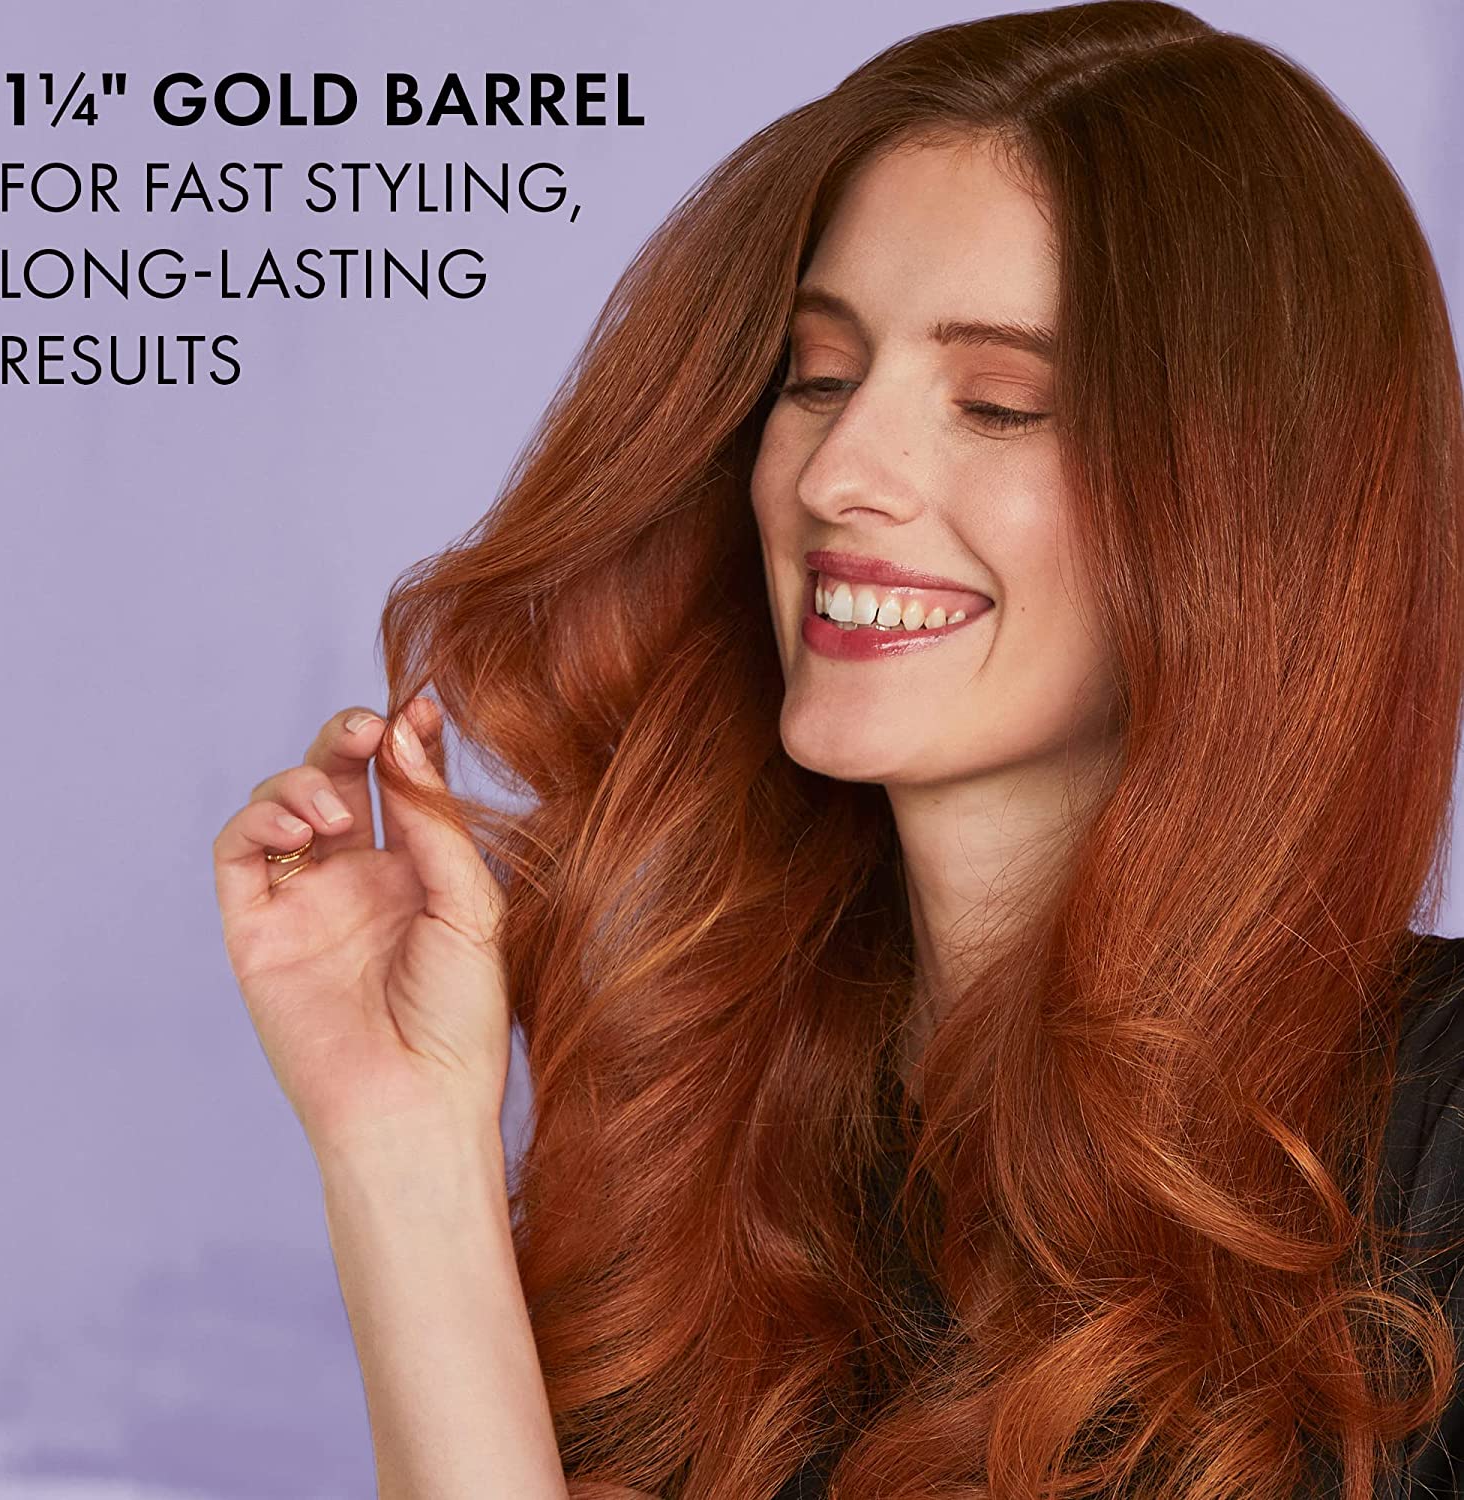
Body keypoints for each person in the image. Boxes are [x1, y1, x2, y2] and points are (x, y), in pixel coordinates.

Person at [212, 2, 1464, 1495]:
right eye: (817, 377)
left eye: (999, 404)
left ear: (1257, 505)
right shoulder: (717, 1121)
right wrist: (400, 1146)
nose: (839, 473)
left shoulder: (1436, 1140)